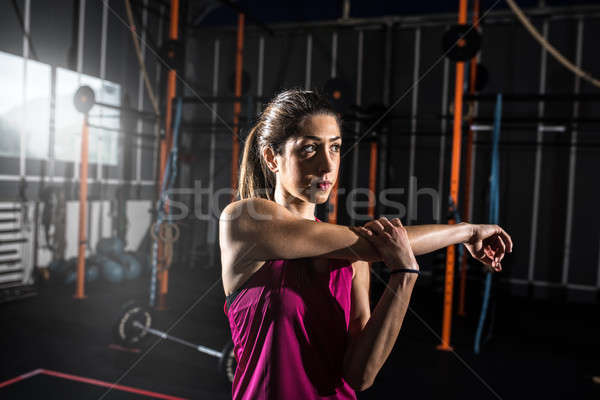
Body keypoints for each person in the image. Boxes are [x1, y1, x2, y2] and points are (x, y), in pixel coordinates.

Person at [219, 89, 513, 399]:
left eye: (334, 148)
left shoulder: (353, 256)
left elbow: (360, 376)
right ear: (271, 158)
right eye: (309, 148)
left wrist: (404, 276)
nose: (327, 165)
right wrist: (466, 232)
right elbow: (377, 245)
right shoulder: (244, 220)